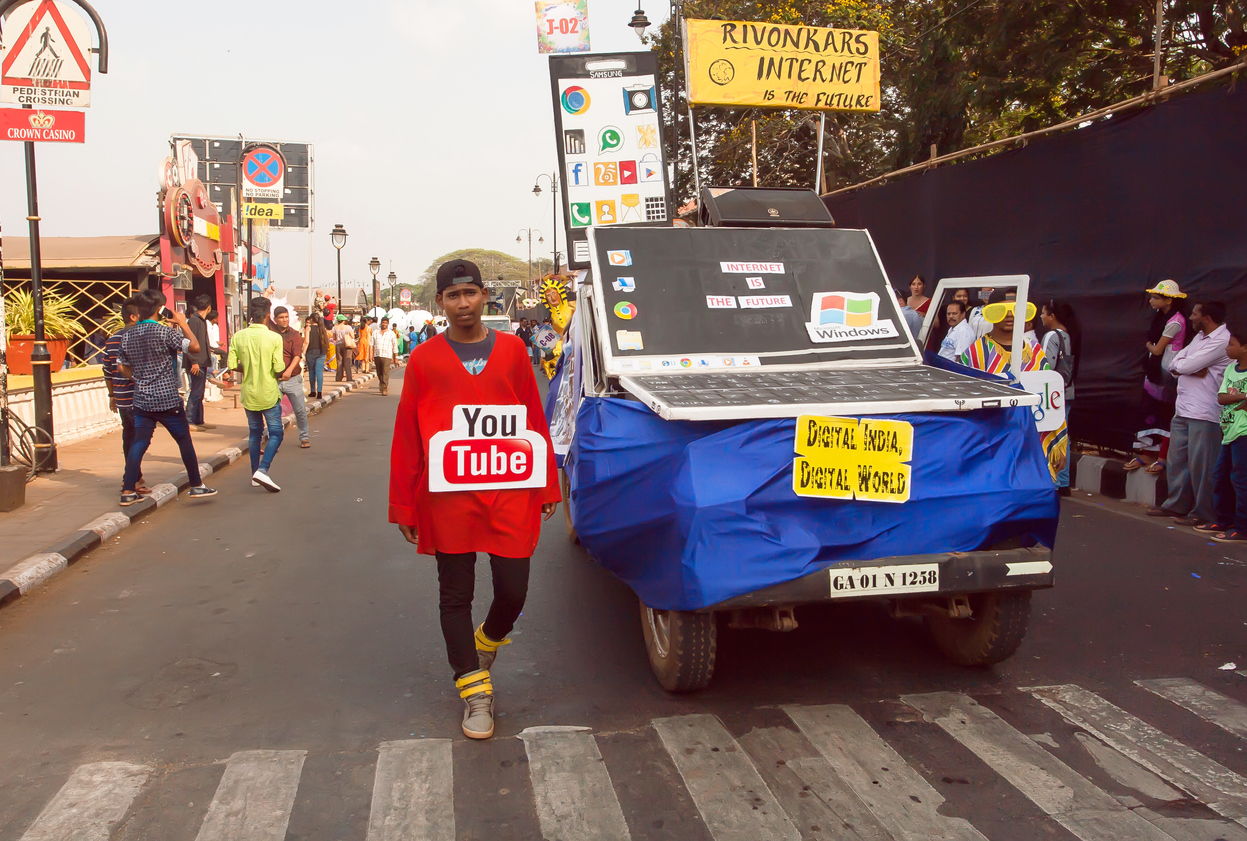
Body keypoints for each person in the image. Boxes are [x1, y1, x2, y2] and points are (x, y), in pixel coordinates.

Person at [389, 259, 560, 740]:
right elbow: (406, 436)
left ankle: (487, 640)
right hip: (448, 498)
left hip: (508, 488)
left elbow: (532, 418)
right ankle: (474, 689)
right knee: (455, 595)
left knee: (513, 589)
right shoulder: (423, 359)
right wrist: (404, 504)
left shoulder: (511, 351)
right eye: (452, 296)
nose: (462, 304)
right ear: (440, 302)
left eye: (470, 294)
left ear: (485, 296)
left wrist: (546, 481)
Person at [116, 290, 218, 506]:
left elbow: (121, 365)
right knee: (184, 441)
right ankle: (196, 484)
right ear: (158, 309)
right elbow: (195, 347)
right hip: (167, 398)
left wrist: (137, 378)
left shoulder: (128, 334)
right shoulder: (164, 333)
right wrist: (182, 323)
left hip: (142, 398)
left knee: (139, 443)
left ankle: (127, 489)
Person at [958, 292, 1067, 480]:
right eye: (1001, 310)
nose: (1009, 315)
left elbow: (1049, 397)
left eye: (1015, 310)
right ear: (990, 313)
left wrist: (1058, 435)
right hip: (992, 442)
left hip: (1031, 438)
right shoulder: (975, 354)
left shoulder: (1034, 350)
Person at [1146, 301, 1229, 523]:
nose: (1190, 318)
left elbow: (1183, 366)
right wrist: (1187, 367)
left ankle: (1203, 513)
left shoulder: (1222, 340)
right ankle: (1176, 505)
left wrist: (1186, 367)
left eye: (1194, 314)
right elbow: (1176, 363)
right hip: (1183, 407)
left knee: (1202, 465)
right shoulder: (1200, 338)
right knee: (1178, 461)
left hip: (1205, 410)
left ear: (1207, 317)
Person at [1127, 280, 1189, 474]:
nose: (1151, 301)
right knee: (1149, 410)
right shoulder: (1160, 318)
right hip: (1155, 372)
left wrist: (1148, 345)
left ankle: (1162, 457)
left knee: (1165, 414)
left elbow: (1158, 348)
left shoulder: (1175, 321)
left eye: (1156, 297)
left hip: (1167, 373)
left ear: (1169, 301)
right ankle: (1147, 453)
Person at [226, 297, 286, 492]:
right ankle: (263, 469)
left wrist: (250, 367)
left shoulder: (238, 336)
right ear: (268, 315)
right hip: (268, 392)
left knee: (255, 433)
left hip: (249, 392)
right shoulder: (274, 338)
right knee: (276, 432)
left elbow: (232, 365)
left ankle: (254, 474)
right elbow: (279, 367)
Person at [102, 299, 150, 496]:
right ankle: (131, 480)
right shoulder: (138, 337)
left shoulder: (112, 339)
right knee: (140, 439)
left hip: (122, 396)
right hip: (139, 395)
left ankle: (134, 477)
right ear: (133, 316)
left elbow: (107, 370)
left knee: (129, 436)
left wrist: (112, 394)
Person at [1206, 327, 1247, 542]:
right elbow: (1221, 397)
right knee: (1221, 477)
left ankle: (1242, 528)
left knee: (1241, 480)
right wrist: (1241, 396)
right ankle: (1224, 520)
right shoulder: (1231, 368)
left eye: (1231, 344)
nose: (1227, 347)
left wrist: (1237, 398)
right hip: (1229, 430)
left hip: (1244, 433)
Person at [1040, 300, 1082, 494]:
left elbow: (1045, 365)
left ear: (1052, 316)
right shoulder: (1069, 335)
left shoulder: (1051, 336)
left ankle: (1053, 480)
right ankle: (1062, 481)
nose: (1041, 317)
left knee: (1051, 436)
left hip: (1051, 393)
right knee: (1063, 435)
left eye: (1043, 313)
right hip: (1066, 391)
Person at [270, 305, 311, 449]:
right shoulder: (270, 332)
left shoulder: (294, 334)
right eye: (281, 317)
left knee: (300, 409)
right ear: (275, 319)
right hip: (274, 378)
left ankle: (304, 437)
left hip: (292, 378)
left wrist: (288, 371)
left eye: (286, 317)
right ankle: (274, 440)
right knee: (273, 411)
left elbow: (297, 355)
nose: (284, 320)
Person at [184, 293, 214, 431]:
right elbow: (189, 342)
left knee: (200, 392)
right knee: (195, 392)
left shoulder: (201, 321)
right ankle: (189, 421)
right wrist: (194, 361)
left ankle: (199, 420)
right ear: (208, 307)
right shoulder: (194, 321)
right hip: (196, 362)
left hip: (203, 361)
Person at [303, 308, 329, 399]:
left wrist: (303, 353)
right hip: (321, 352)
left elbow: (306, 341)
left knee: (312, 372)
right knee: (319, 373)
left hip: (310, 352)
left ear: (311, 319)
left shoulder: (308, 328)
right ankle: (320, 392)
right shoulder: (322, 328)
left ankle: (313, 391)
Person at [373, 316, 397, 396]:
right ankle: (381, 383)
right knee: (379, 372)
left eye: (386, 323)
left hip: (387, 355)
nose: (384, 324)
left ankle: (385, 388)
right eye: (383, 323)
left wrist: (395, 357)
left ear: (388, 324)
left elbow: (395, 345)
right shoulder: (375, 332)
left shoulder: (391, 333)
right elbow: (371, 344)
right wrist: (370, 355)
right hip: (377, 354)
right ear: (381, 323)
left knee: (385, 372)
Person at [332, 314, 356, 382]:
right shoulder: (348, 327)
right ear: (343, 321)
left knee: (339, 361)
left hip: (338, 345)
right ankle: (349, 378)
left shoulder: (335, 327)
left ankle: (338, 378)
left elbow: (334, 338)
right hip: (347, 345)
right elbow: (353, 336)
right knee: (347, 362)